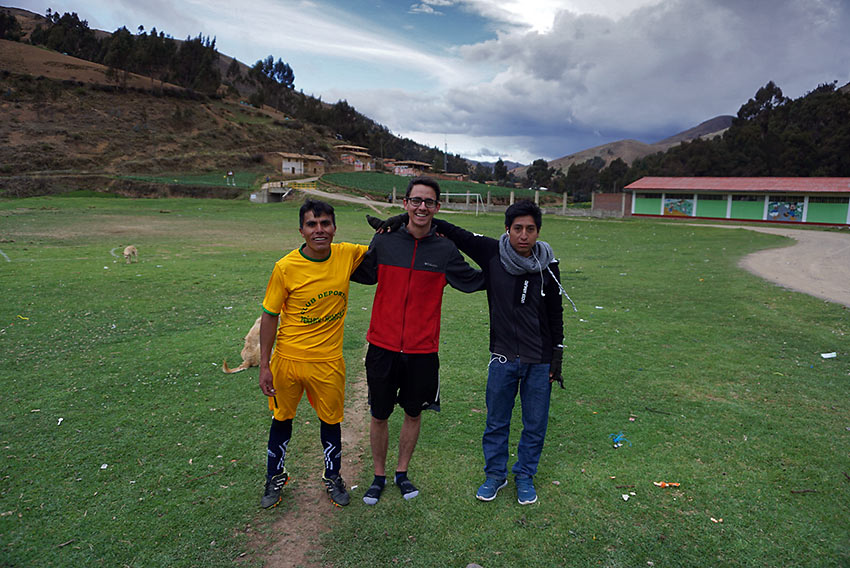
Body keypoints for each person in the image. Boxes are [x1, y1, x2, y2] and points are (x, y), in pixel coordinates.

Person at [369, 200, 571, 505]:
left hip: (539, 360)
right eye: (518, 228)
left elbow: (555, 312)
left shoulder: (548, 264)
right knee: (497, 422)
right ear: (507, 229)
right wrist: (404, 219)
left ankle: (525, 477)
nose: (524, 235)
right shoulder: (493, 253)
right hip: (503, 357)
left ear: (538, 232)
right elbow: (456, 233)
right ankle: (494, 476)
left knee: (535, 423)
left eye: (530, 229)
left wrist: (556, 354)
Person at [351, 176, 484, 505]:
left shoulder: (445, 249)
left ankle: (402, 473)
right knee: (379, 414)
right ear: (405, 204)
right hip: (382, 346)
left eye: (429, 202)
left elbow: (479, 277)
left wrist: (513, 266)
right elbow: (355, 269)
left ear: (437, 208)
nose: (421, 207)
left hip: (422, 349)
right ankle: (378, 476)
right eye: (416, 201)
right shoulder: (383, 242)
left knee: (413, 413)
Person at [258, 199, 369, 509]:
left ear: (334, 228)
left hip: (328, 363)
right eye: (312, 224)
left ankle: (333, 477)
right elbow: (270, 316)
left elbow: (385, 245)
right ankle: (274, 477)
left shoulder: (348, 254)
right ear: (301, 230)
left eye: (325, 224)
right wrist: (264, 365)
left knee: (330, 422)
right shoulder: (285, 267)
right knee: (281, 419)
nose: (319, 230)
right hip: (288, 361)